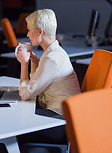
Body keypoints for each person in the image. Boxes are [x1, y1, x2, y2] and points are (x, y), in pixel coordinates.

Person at [16, 9, 81, 150]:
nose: (27, 34)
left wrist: (24, 64)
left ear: (40, 31)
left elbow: (26, 94)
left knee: (15, 128)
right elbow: (35, 86)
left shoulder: (51, 58)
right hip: (62, 116)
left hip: (60, 123)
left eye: (29, 30)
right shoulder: (53, 52)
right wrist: (34, 63)